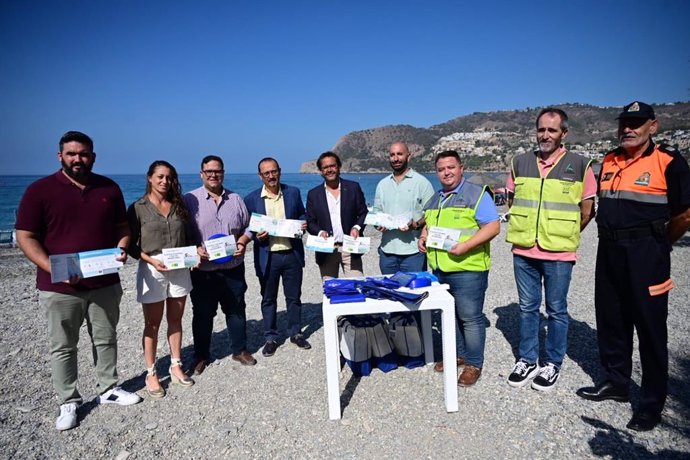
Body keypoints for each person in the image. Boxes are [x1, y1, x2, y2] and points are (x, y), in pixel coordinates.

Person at [15, 131, 141, 431]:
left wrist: (122, 247)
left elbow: (122, 228)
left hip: (104, 282)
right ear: (60, 156)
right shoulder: (40, 190)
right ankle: (68, 400)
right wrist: (51, 267)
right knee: (63, 345)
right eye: (71, 154)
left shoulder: (108, 188)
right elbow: (25, 236)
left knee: (106, 337)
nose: (77, 159)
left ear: (93, 156)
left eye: (83, 154)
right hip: (59, 286)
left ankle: (108, 388)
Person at [576, 101, 690, 431]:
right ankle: (616, 382)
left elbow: (684, 214)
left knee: (651, 329)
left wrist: (659, 243)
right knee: (612, 319)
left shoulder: (669, 161)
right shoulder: (610, 159)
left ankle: (652, 404)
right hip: (610, 248)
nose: (629, 128)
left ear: (653, 126)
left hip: (647, 251)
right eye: (625, 122)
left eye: (637, 123)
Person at [504, 108, 596, 391]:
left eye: (552, 130)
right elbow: (512, 202)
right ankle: (528, 359)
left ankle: (553, 363)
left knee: (556, 310)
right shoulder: (519, 162)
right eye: (541, 129)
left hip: (558, 253)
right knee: (528, 308)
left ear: (564, 133)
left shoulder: (581, 165)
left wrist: (561, 232)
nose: (545, 135)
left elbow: (587, 211)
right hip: (524, 251)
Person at [418, 150, 500, 386]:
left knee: (470, 318)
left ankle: (474, 364)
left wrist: (466, 246)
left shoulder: (476, 193)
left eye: (451, 167)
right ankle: (458, 355)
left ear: (461, 168)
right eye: (442, 169)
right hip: (440, 269)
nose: (447, 172)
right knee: (449, 315)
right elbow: (429, 226)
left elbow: (493, 227)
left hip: (469, 269)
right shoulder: (436, 198)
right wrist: (423, 237)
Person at [183, 155, 256, 375]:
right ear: (201, 174)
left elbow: (249, 226)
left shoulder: (235, 199)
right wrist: (194, 249)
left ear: (223, 173)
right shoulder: (189, 200)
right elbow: (181, 233)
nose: (213, 175)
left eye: (218, 171)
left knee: (236, 309)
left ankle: (239, 350)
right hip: (203, 271)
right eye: (209, 171)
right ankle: (201, 355)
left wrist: (243, 241)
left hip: (233, 267)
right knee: (203, 314)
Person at [127, 160, 195, 398]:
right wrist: (150, 260)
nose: (165, 181)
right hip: (153, 269)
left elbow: (187, 237)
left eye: (168, 177)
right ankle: (151, 372)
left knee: (176, 320)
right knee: (152, 324)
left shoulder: (179, 205)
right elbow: (131, 245)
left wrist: (192, 256)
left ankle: (176, 365)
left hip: (179, 269)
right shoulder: (138, 207)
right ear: (150, 178)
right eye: (160, 177)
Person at [244, 157, 311, 357]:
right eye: (267, 173)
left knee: (294, 297)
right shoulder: (251, 199)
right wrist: (257, 236)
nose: (271, 176)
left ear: (279, 171)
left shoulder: (293, 192)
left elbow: (302, 214)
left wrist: (303, 223)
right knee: (268, 299)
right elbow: (249, 228)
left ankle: (296, 333)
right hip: (268, 256)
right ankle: (271, 337)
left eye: (274, 171)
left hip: (292, 254)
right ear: (260, 176)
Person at [373, 142, 434, 274]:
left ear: (408, 156)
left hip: (414, 253)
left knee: (414, 293)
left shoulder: (422, 183)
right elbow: (377, 212)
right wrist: (378, 224)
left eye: (399, 154)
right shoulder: (382, 185)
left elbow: (432, 214)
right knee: (390, 293)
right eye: (392, 155)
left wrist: (416, 224)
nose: (395, 158)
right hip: (387, 252)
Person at [306, 151, 368, 280]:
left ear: (339, 166)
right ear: (321, 171)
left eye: (332, 166)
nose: (329, 170)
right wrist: (319, 232)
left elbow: (363, 213)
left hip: (350, 247)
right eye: (325, 167)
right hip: (327, 250)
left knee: (357, 287)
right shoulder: (313, 194)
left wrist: (357, 227)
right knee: (330, 290)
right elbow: (310, 221)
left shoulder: (353, 188)